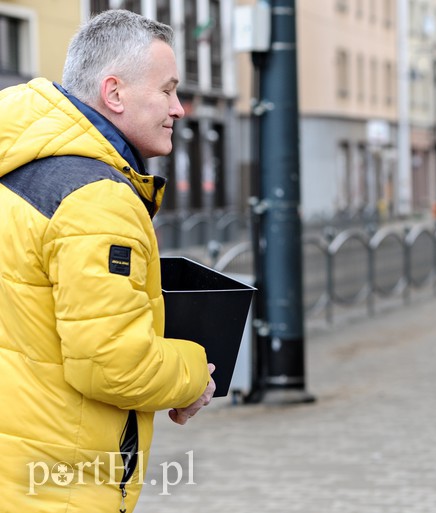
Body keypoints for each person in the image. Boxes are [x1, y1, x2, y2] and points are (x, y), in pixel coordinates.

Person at [0, 10, 215, 512]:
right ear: (114, 93)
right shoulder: (96, 196)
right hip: (56, 482)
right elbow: (111, 363)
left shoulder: (18, 167)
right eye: (167, 90)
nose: (179, 108)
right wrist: (194, 374)